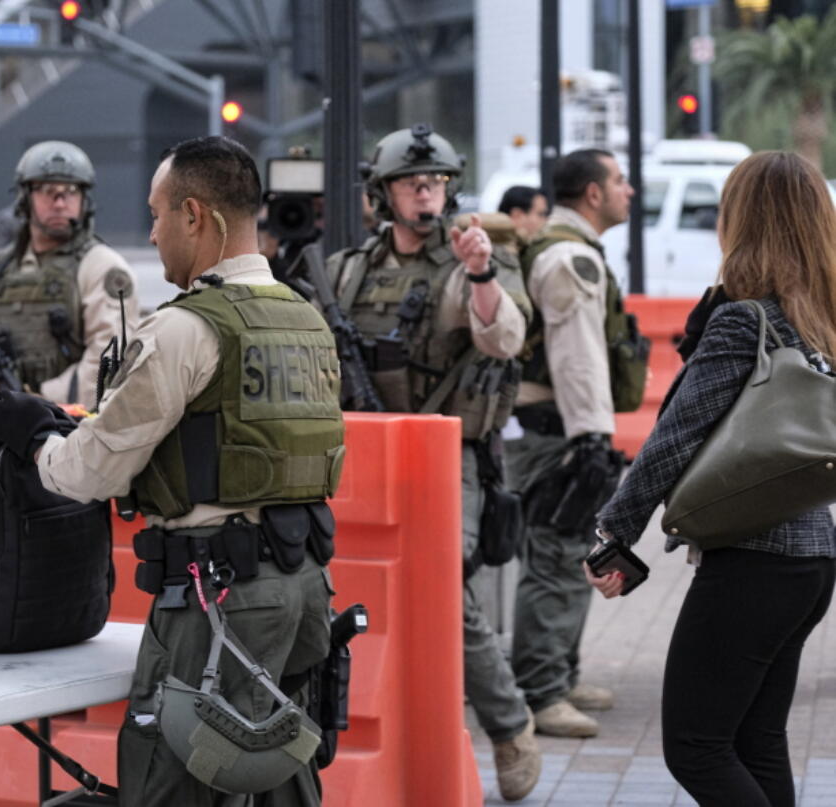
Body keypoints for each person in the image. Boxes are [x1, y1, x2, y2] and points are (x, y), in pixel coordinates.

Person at [0, 136, 341, 806]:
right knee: (280, 774)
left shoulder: (184, 330)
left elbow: (92, 471)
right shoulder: (306, 319)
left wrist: (35, 437)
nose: (151, 232)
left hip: (217, 597)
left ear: (195, 216)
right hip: (304, 590)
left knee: (166, 776)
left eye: (156, 215)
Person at [590, 151, 836, 807]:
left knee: (696, 745)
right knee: (757, 740)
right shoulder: (819, 324)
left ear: (741, 221)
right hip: (812, 557)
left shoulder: (743, 320)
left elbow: (676, 437)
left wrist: (615, 529)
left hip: (754, 561)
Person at [322, 125, 541, 802]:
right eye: (414, 183)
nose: (428, 193)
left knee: (443, 584)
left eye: (438, 181)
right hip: (359, 453)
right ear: (383, 194)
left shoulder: (468, 261)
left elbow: (505, 337)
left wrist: (479, 272)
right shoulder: (347, 270)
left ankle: (507, 725)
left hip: (447, 458)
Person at [507, 149, 634, 738]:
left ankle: (560, 672)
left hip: (559, 427)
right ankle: (542, 691)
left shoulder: (569, 249)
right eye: (618, 180)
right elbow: (577, 356)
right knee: (556, 558)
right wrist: (591, 439)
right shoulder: (569, 257)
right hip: (558, 430)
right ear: (590, 193)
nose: (628, 191)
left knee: (572, 549)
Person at [0, 140, 139, 405]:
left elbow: (111, 358)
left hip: (71, 428)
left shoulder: (102, 268)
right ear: (25, 199)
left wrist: (40, 400)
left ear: (84, 200)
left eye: (70, 192)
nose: (59, 203)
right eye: (47, 191)